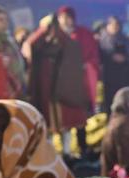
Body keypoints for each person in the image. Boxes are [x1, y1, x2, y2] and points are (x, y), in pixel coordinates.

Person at [23, 14, 89, 157]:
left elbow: (72, 57)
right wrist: (43, 29)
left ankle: (67, 153)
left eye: (53, 27)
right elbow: (31, 44)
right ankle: (51, 154)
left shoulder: (67, 43)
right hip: (46, 89)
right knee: (49, 122)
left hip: (64, 89)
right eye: (49, 28)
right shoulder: (40, 46)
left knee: (66, 123)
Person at [57, 6, 100, 155]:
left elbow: (93, 55)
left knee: (81, 116)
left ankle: (83, 147)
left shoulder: (84, 34)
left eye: (68, 17)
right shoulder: (55, 37)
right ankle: (66, 152)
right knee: (65, 119)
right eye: (63, 17)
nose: (66, 20)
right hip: (62, 86)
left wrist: (85, 66)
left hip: (81, 84)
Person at [99, 16, 129, 114]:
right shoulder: (100, 40)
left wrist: (125, 58)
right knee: (108, 99)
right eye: (112, 24)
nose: (115, 27)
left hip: (123, 74)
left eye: (117, 24)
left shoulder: (125, 39)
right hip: (107, 75)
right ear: (107, 26)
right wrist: (111, 57)